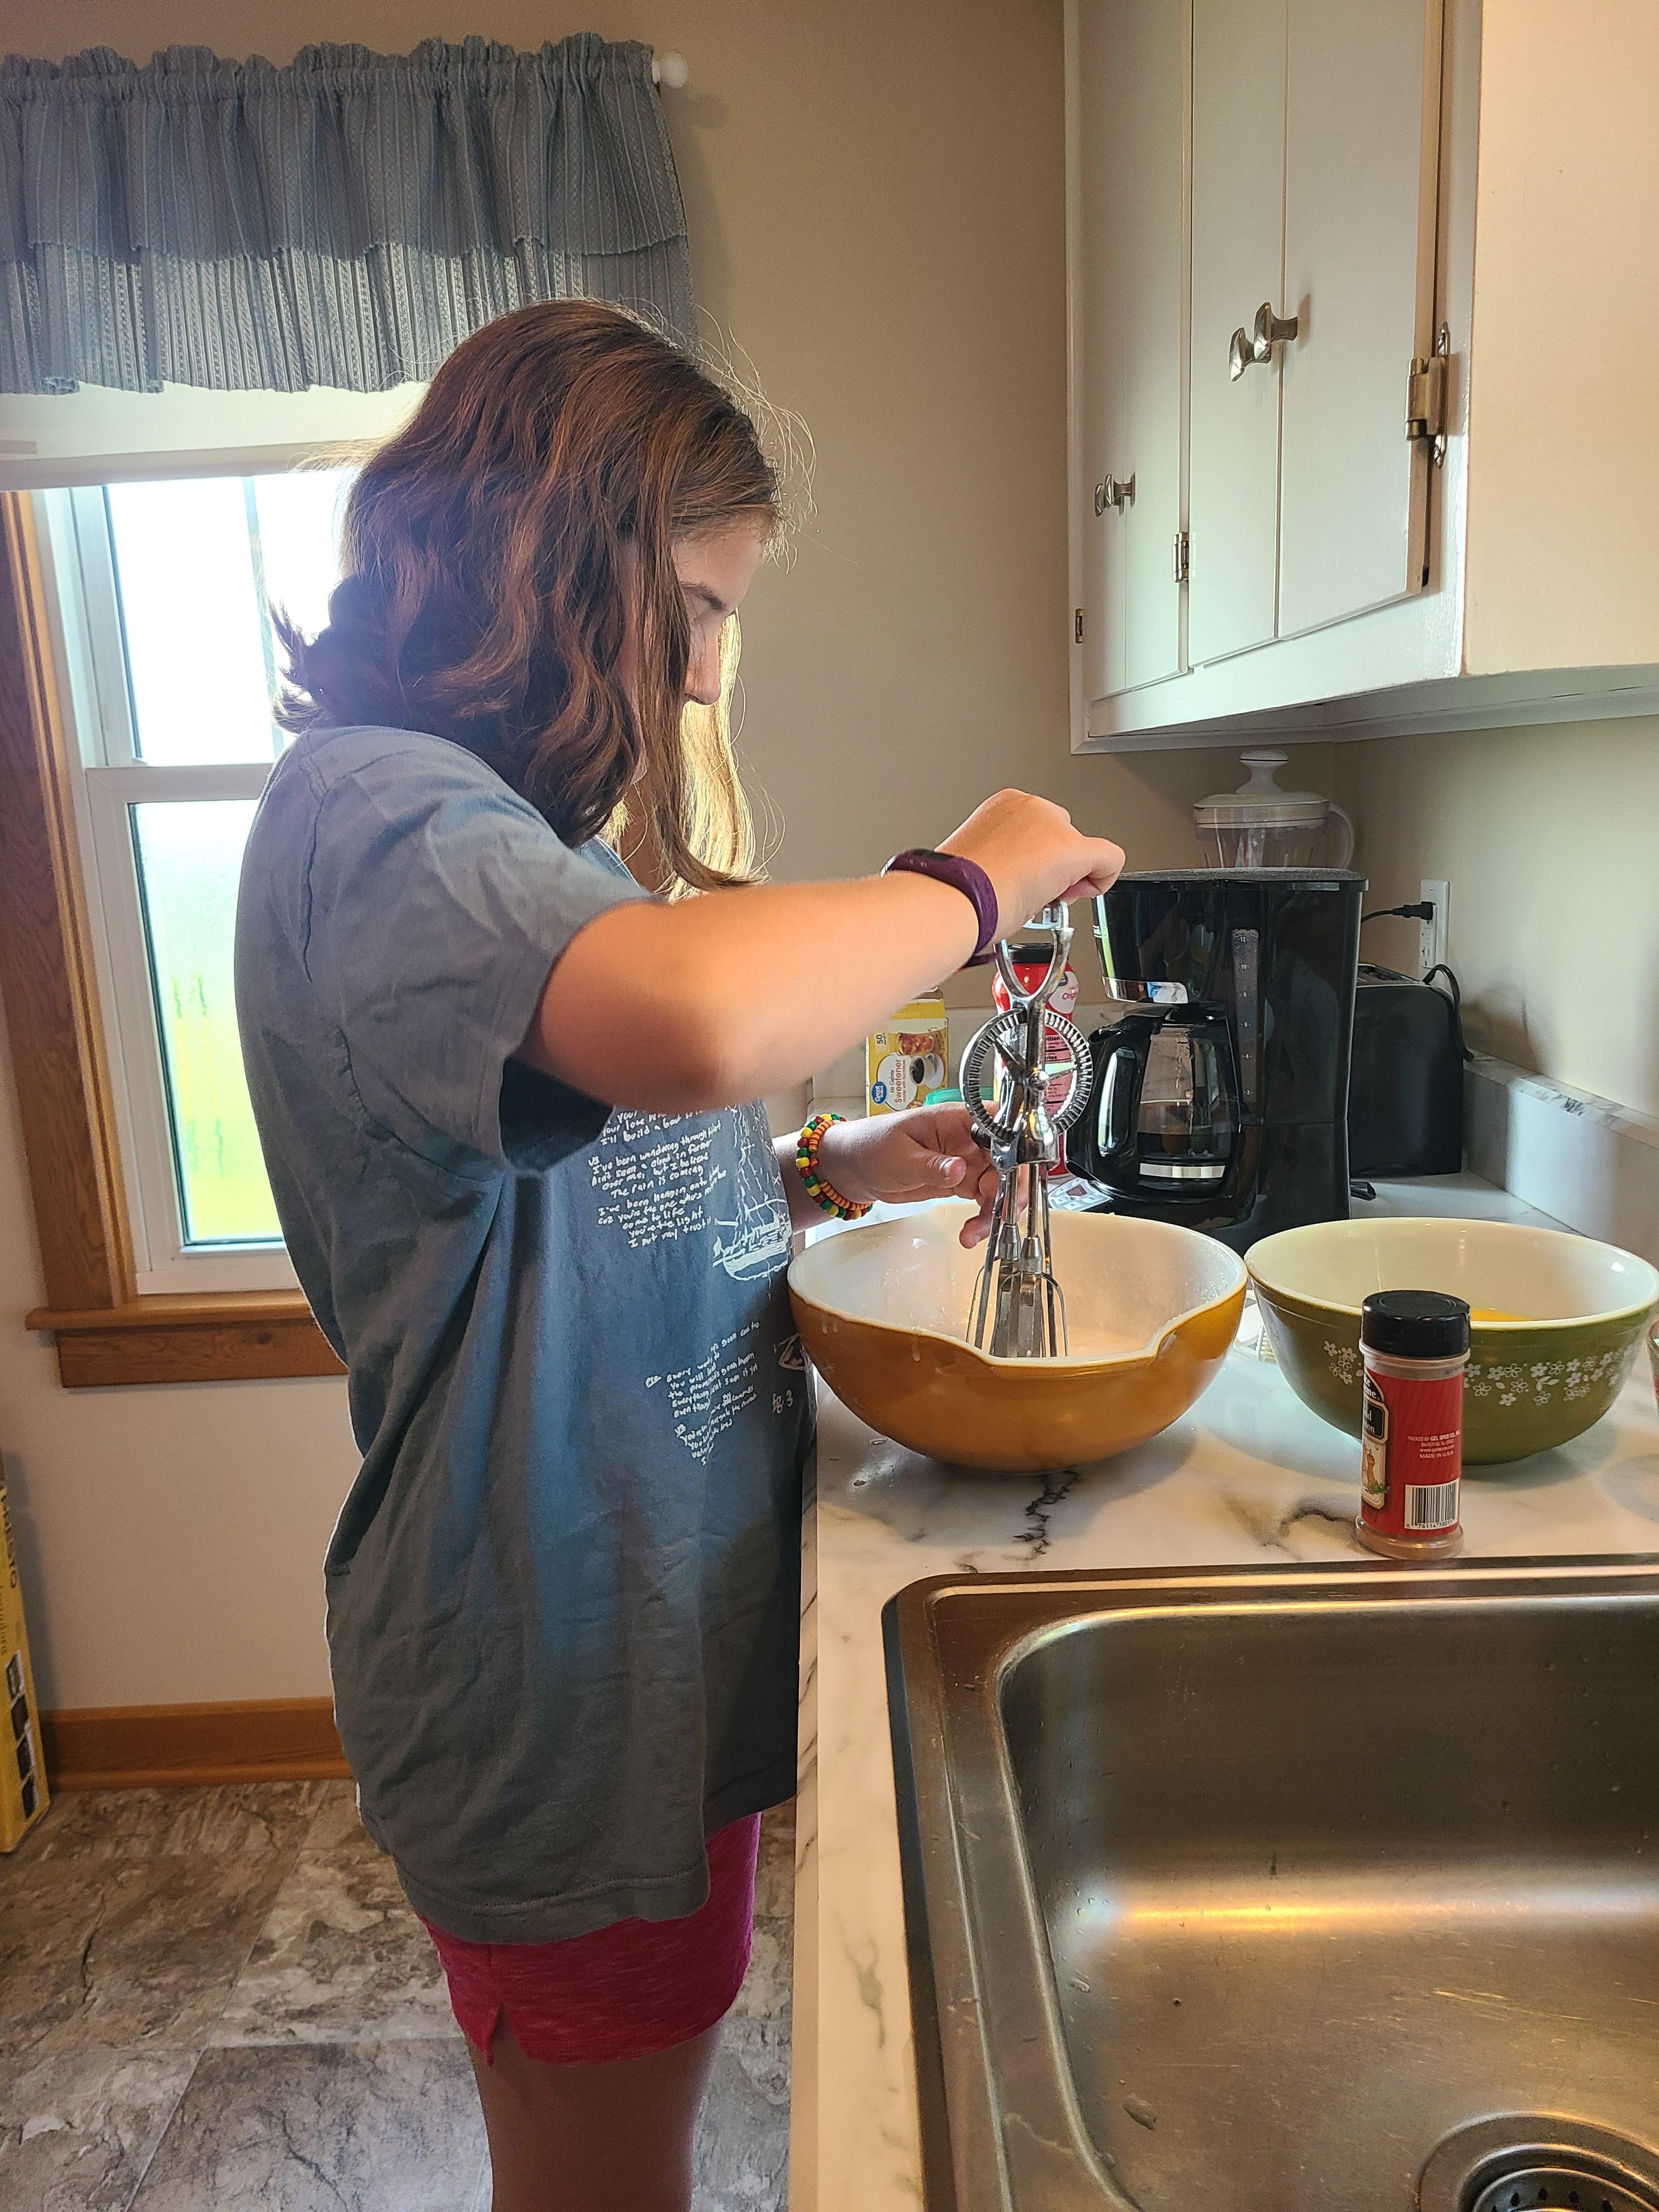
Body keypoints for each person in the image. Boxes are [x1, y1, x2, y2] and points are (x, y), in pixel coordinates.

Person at [234, 298, 1124, 2212]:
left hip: (633, 1647)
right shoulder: (377, 815)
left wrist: (821, 1166)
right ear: (575, 568)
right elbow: (694, 1021)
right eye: (703, 607)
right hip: (551, 1671)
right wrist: (968, 880)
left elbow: (592, 1160)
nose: (710, 677)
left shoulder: (498, 836)